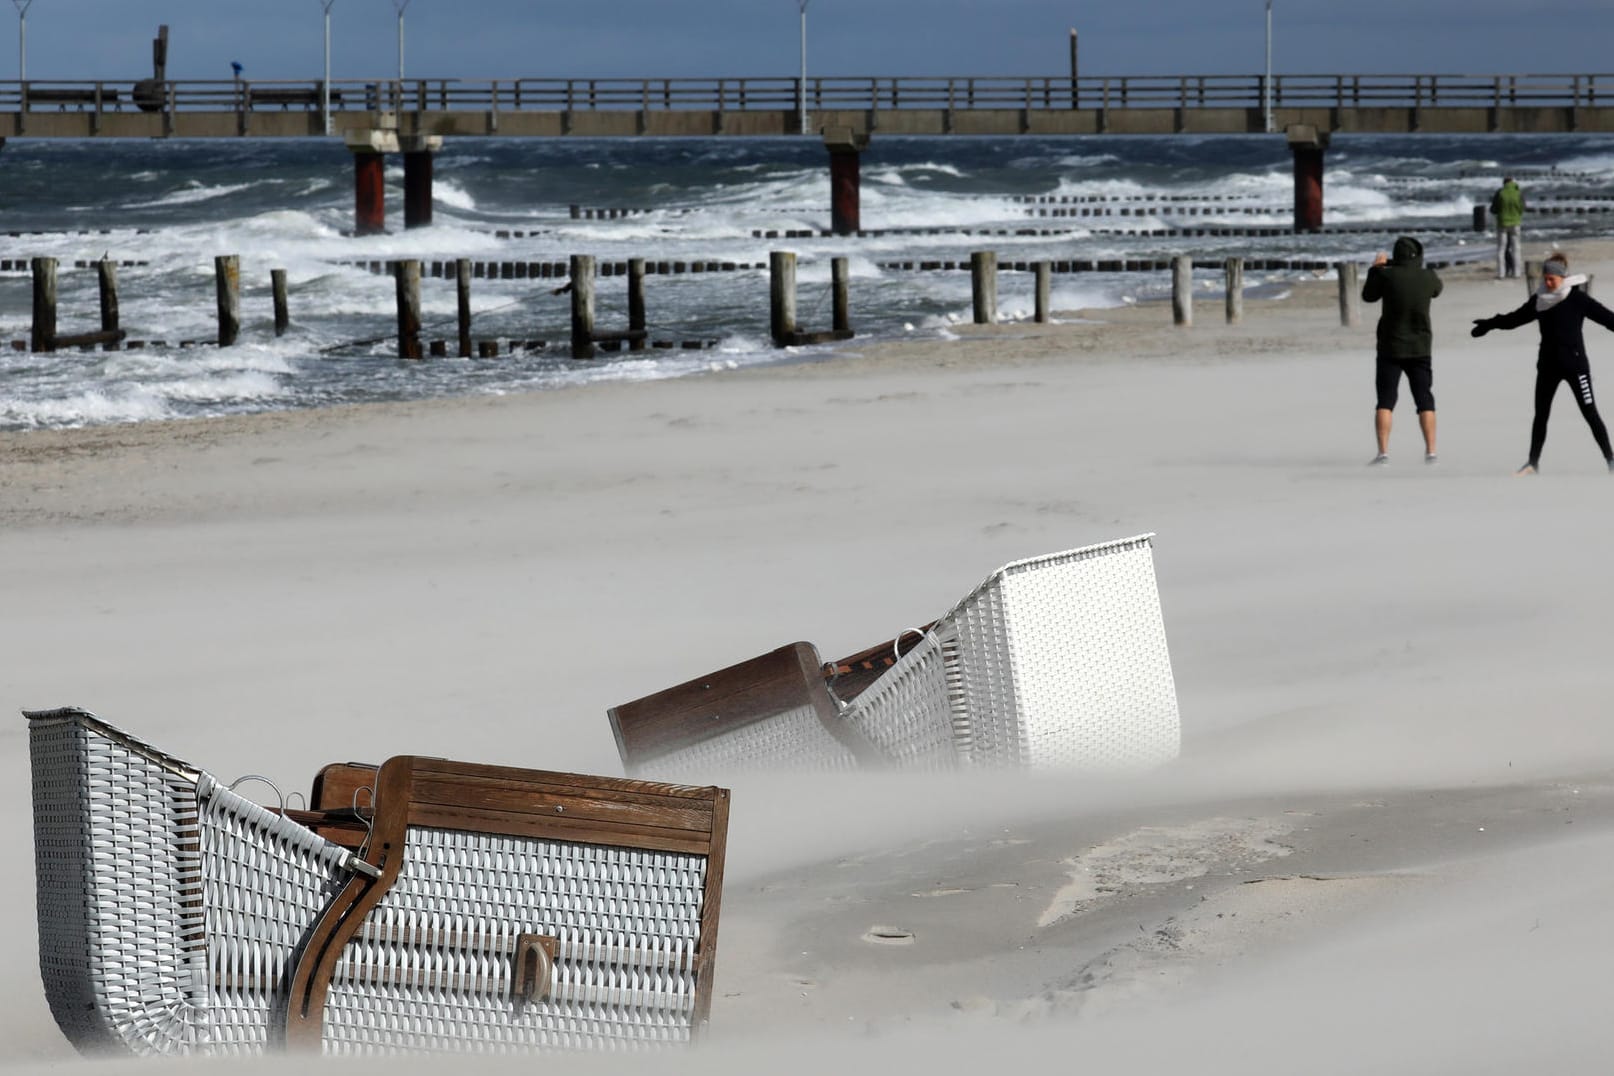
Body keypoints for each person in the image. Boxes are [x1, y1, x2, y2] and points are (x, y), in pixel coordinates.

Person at [1472, 251, 1614, 475]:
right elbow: (1514, 319)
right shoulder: (1539, 302)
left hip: (1576, 367)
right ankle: (1532, 463)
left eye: (1552, 279)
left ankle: (1610, 460)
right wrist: (1490, 324)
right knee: (1541, 414)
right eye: (1545, 278)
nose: (1547, 283)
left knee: (1590, 412)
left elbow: (1609, 319)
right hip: (1548, 366)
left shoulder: (1578, 299)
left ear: (1562, 278)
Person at [1361, 235, 1443, 465]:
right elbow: (1437, 290)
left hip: (1390, 347)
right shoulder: (1428, 277)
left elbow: (1368, 296)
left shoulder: (1386, 276)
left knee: (1385, 401)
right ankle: (1431, 452)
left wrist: (1376, 269)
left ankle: (1383, 453)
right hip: (1420, 347)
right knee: (1424, 399)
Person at [1491, 177, 1525, 280]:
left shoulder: (1500, 192)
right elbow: (1522, 208)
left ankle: (1501, 273)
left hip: (1502, 223)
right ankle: (1517, 273)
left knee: (1501, 249)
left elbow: (1494, 209)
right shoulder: (1518, 193)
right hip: (1515, 223)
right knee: (1516, 248)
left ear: (1504, 183)